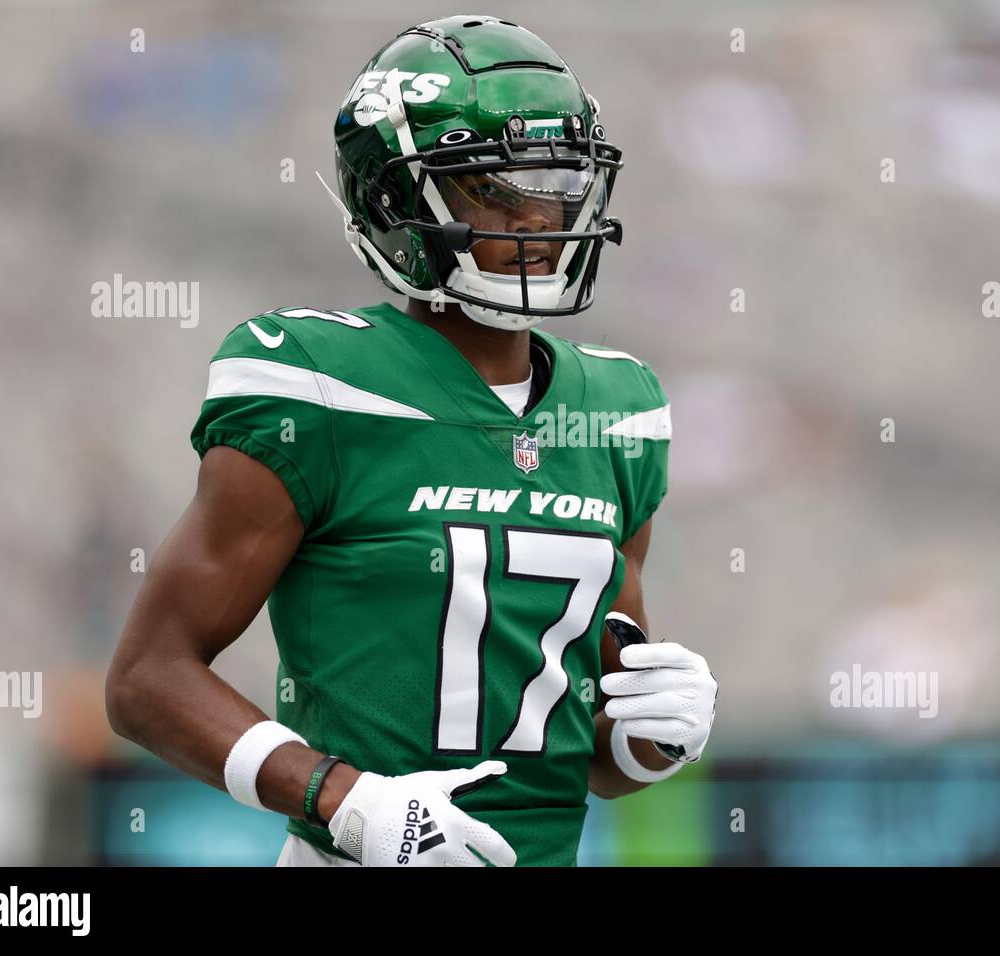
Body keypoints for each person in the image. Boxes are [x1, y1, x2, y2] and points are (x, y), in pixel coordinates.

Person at [105, 15, 716, 867]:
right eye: (495, 190)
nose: (541, 215)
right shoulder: (318, 384)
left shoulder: (620, 410)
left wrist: (655, 736)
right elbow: (147, 680)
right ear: (395, 205)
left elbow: (587, 754)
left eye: (554, 182)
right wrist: (343, 800)